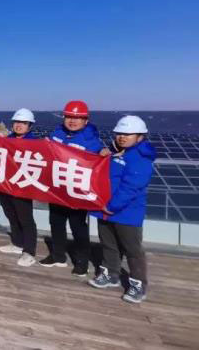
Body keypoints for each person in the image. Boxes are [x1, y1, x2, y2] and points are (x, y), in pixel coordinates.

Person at [88, 116, 155, 304]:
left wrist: (112, 206)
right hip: (105, 209)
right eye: (119, 133)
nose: (122, 137)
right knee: (108, 244)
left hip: (126, 212)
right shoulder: (115, 152)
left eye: (128, 134)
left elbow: (131, 187)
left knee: (132, 250)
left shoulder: (140, 158)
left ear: (140, 137)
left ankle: (138, 285)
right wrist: (101, 153)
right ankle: (111, 274)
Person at [42, 100, 104, 275]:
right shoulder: (57, 134)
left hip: (77, 191)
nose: (72, 121)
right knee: (56, 222)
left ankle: (82, 262)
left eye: (77, 118)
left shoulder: (91, 140)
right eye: (69, 117)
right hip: (57, 188)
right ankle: (58, 255)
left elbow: (97, 163)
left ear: (86, 120)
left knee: (78, 226)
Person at [0, 108, 38, 267]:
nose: (19, 125)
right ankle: (17, 243)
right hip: (6, 184)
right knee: (11, 215)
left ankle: (29, 251)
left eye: (23, 123)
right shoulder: (8, 139)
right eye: (16, 122)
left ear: (30, 126)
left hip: (22, 186)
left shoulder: (34, 143)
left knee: (25, 218)